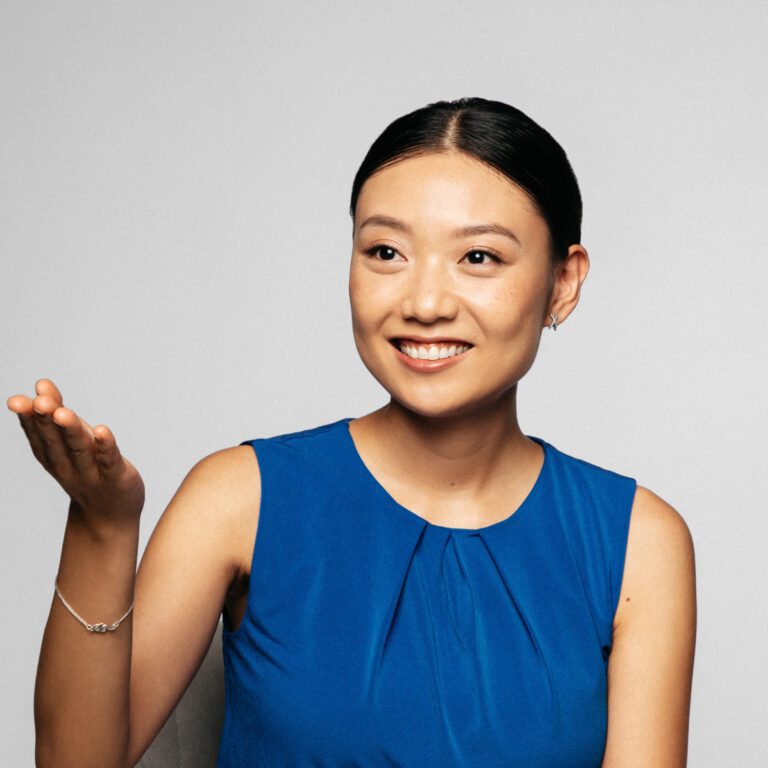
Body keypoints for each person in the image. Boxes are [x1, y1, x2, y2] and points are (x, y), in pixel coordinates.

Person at [8, 97, 696, 767]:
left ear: (563, 283)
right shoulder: (239, 498)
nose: (425, 302)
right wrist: (102, 526)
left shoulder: (637, 541)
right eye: (386, 252)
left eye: (479, 258)